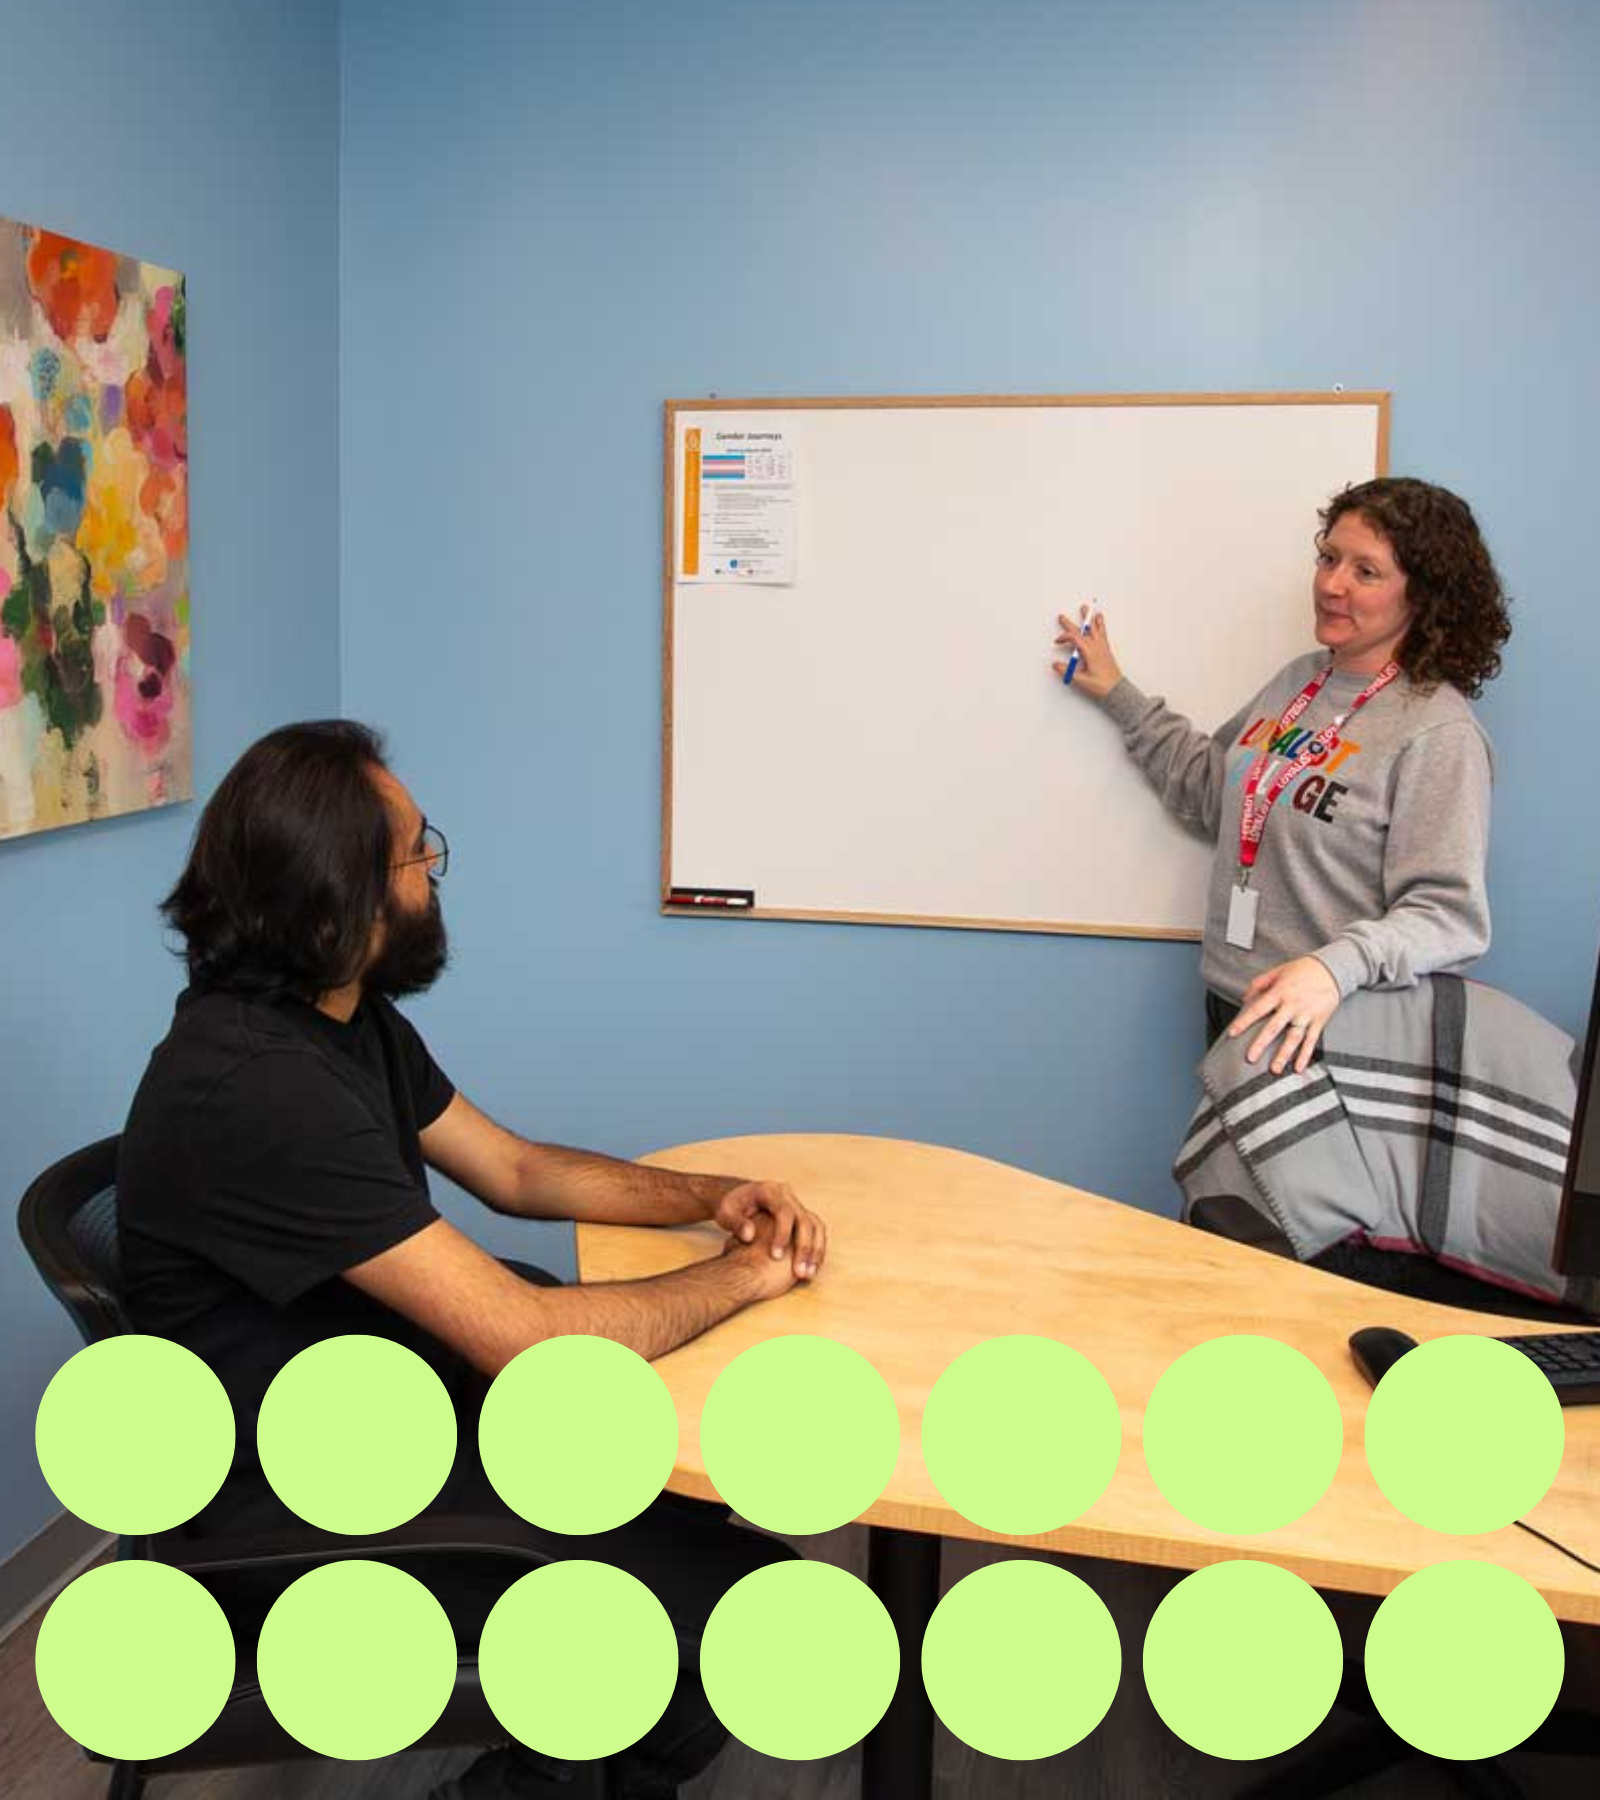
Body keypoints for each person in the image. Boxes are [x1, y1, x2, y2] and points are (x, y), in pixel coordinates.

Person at [118, 719, 829, 1800]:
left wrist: (711, 1199)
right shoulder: (257, 1087)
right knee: (758, 1624)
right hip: (313, 1512)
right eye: (413, 854)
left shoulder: (339, 1016)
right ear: (335, 900)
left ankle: (566, 1744)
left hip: (397, 1428)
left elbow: (515, 1169)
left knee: (689, 1511)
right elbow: (529, 1343)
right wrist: (744, 1275)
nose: (434, 870)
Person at [1053, 476, 1511, 1074]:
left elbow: (1449, 917)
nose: (1331, 584)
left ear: (1423, 597)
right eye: (1329, 558)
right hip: (1235, 998)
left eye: (1365, 571)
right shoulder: (1300, 680)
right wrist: (1118, 693)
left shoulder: (1437, 731)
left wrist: (1331, 968)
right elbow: (1213, 793)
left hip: (1331, 1026)